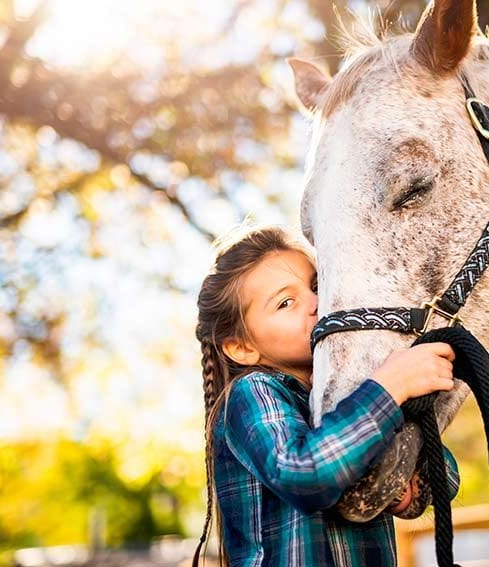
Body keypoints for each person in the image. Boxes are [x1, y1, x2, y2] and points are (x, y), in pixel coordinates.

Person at [194, 224, 460, 567]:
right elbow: (304, 473)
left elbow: (447, 477)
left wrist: (405, 481)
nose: (316, 303)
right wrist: (391, 386)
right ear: (241, 347)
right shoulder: (252, 392)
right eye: (285, 302)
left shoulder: (355, 394)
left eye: (316, 286)